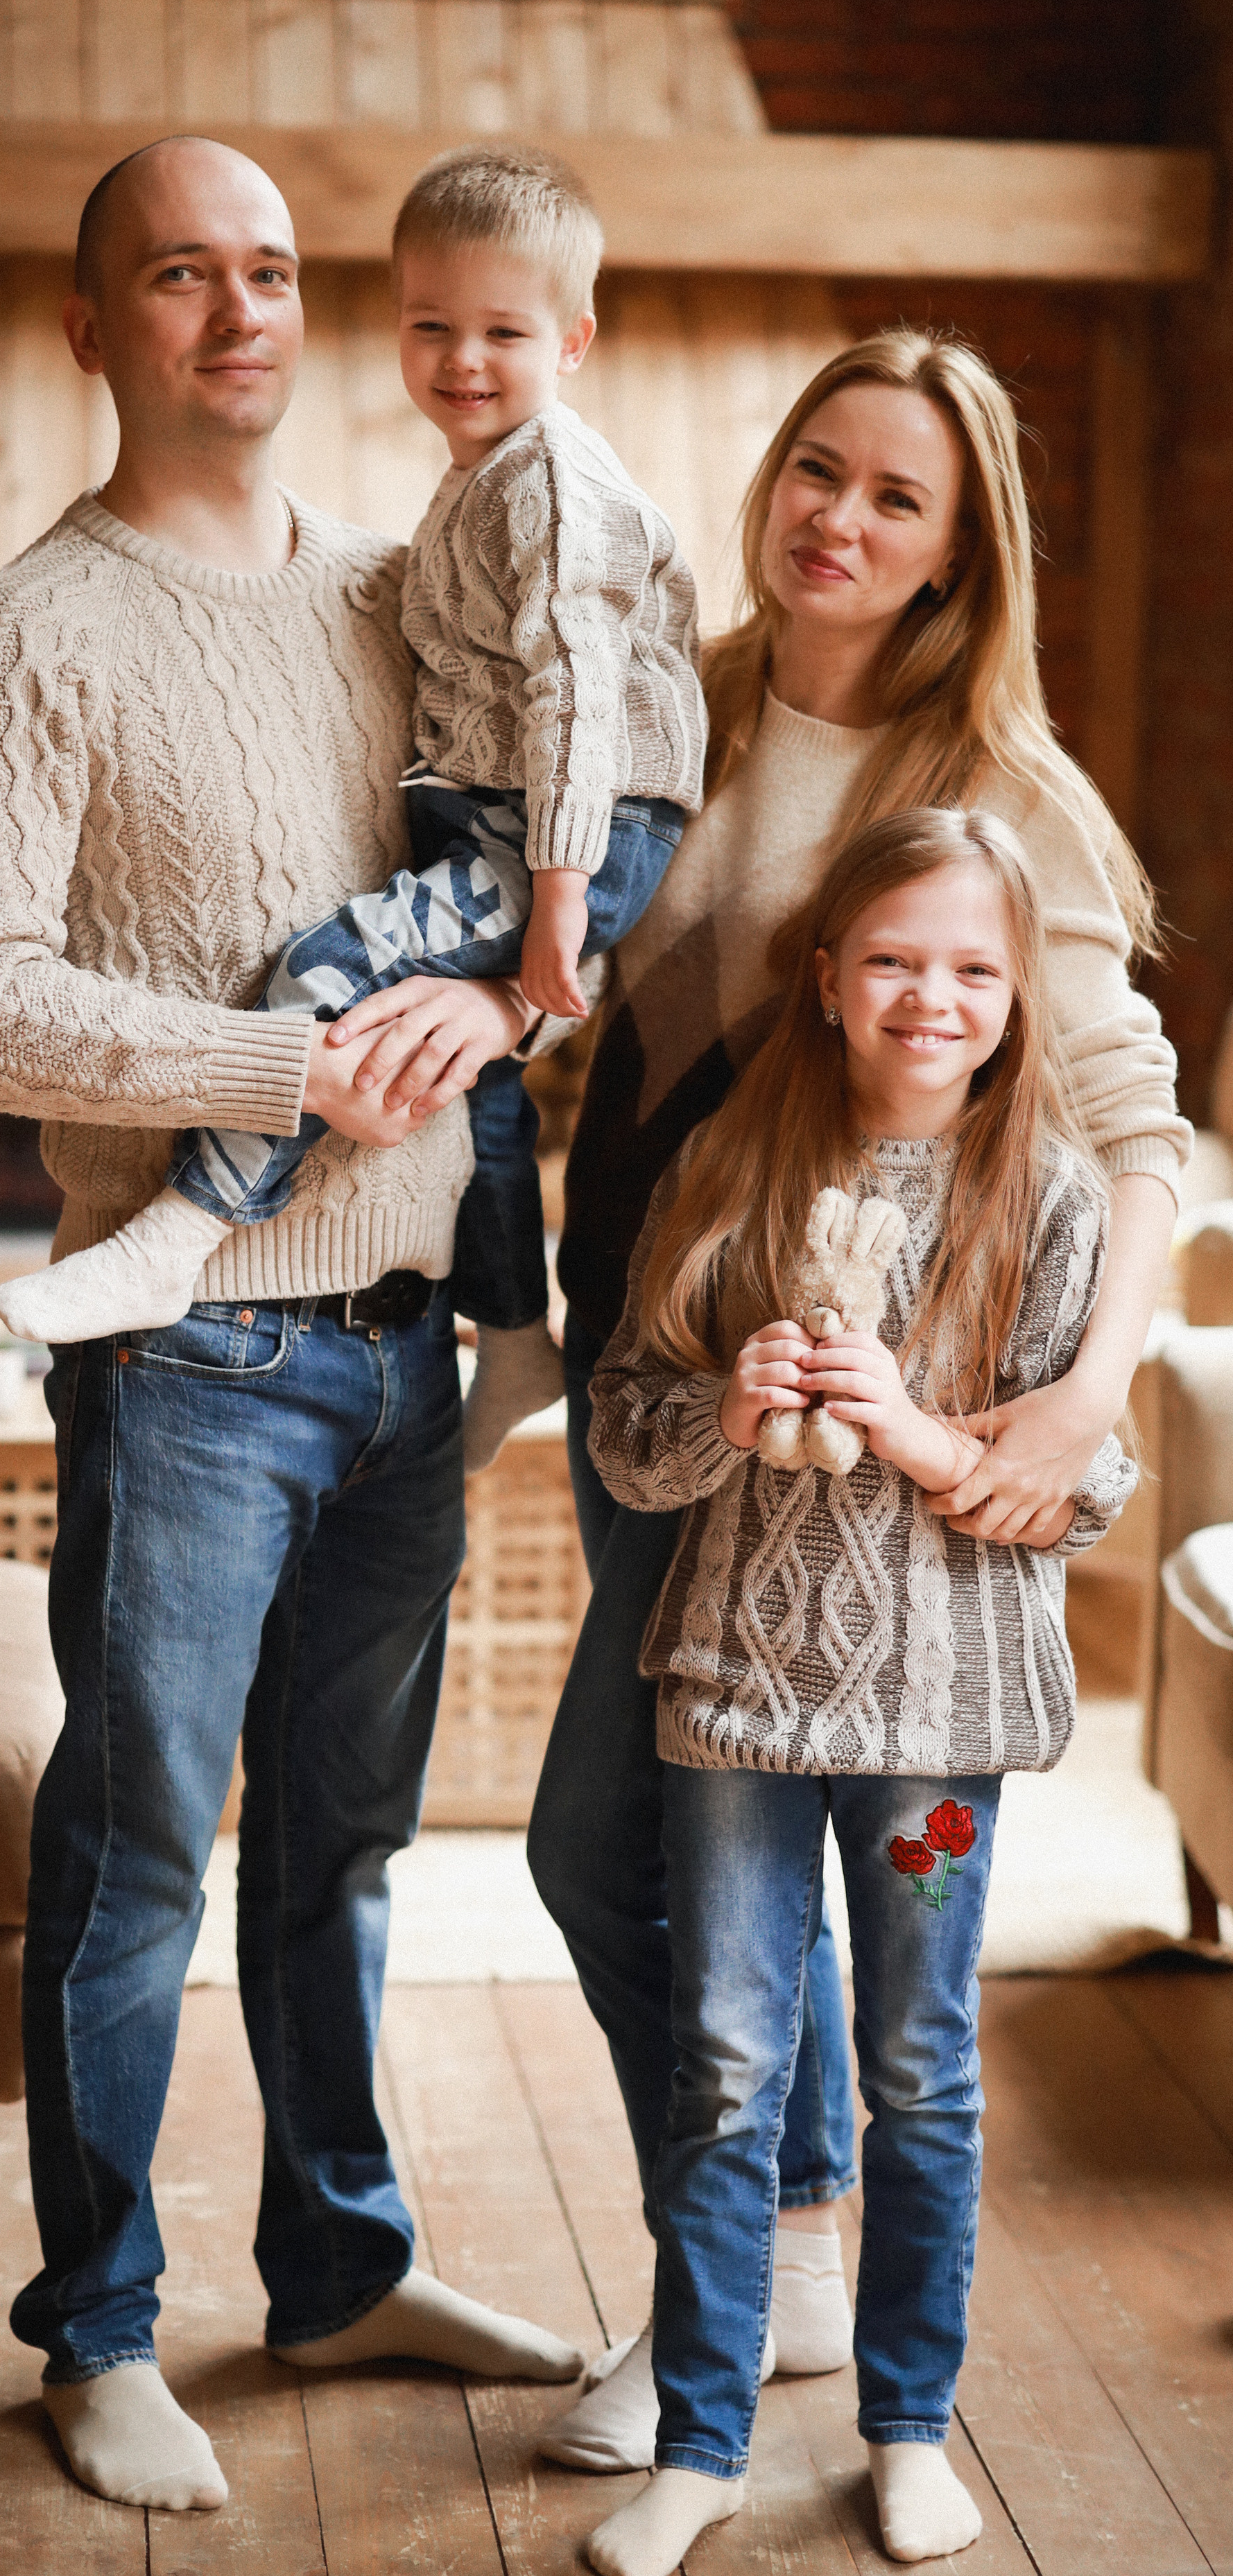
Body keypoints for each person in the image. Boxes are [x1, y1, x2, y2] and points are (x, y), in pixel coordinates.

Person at [0, 134, 587, 2517]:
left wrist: (504, 1008)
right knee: (132, 1862)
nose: (239, 312)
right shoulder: (26, 631)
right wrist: (281, 1064)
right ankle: (94, 2323)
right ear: (91, 325)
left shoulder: (409, 592)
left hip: (414, 1351)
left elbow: (519, 874)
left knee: (343, 1851)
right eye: (181, 273)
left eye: (275, 271)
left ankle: (338, 2263)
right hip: (191, 1356)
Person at [526, 327, 1189, 2473]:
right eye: (819, 466)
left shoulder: (999, 786)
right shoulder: (679, 707)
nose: (839, 517)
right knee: (645, 1847)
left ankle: (785, 2264)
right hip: (672, 1350)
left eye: (899, 497)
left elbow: (1133, 1123)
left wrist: (1082, 1395)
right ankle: (777, 2260)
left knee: (608, 1843)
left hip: (871, 1404)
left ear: (955, 552)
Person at [580, 807, 1134, 2576]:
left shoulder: (1050, 1194)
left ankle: (906, 2428)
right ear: (825, 979)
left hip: (938, 1728)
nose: (929, 997)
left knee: (919, 2066)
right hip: (738, 1701)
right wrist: (724, 1409)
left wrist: (907, 1427)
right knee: (726, 2065)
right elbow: (627, 1433)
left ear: (1016, 993)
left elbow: (1088, 1488)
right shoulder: (727, 1168)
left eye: (972, 967)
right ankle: (701, 2445)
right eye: (893, 959)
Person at [0, 145, 708, 1474]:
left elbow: (575, 691)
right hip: (519, 823)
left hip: (565, 824)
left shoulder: (544, 486)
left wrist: (551, 920)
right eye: (431, 327)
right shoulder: (33, 631)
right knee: (483, 1092)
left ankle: (179, 1231)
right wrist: (505, 1002)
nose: (464, 359)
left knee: (326, 964)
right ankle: (517, 1334)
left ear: (574, 340)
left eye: (504, 332)